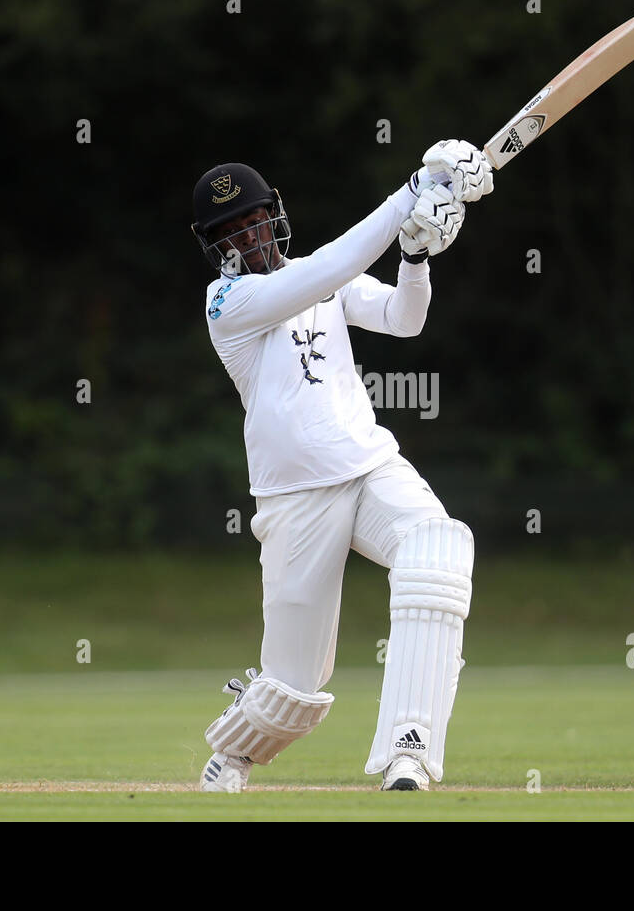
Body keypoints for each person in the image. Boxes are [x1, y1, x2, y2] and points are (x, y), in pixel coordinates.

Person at [190, 141, 493, 791]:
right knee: (294, 691)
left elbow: (403, 320)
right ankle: (234, 752)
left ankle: (408, 750)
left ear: (274, 216)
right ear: (215, 248)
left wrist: (414, 254)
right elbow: (331, 267)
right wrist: (412, 193)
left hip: (369, 467)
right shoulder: (228, 304)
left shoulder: (323, 279)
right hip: (295, 500)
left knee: (438, 551)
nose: (245, 237)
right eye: (229, 232)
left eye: (252, 220)